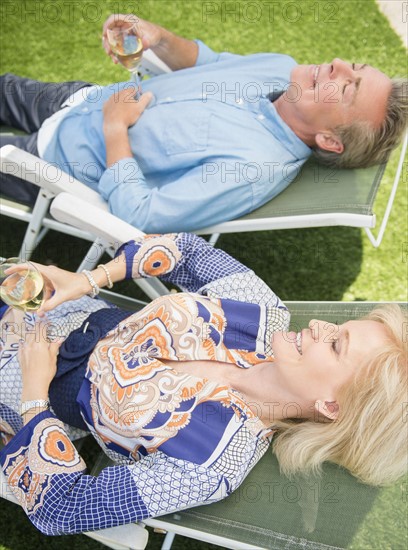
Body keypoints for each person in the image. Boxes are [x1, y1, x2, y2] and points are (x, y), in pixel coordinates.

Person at [0, 232, 406, 536]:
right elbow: (190, 253)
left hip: (19, 386)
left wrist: (34, 396)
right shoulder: (262, 314)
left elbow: (64, 509)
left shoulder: (208, 464)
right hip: (61, 306)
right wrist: (86, 279)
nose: (319, 326)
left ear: (331, 406)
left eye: (335, 344)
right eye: (337, 326)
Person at [1, 14, 407, 232]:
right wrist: (158, 37)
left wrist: (114, 130)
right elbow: (207, 62)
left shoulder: (252, 169)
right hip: (82, 98)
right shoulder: (282, 70)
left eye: (348, 87)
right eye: (351, 66)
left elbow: (140, 216)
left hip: (56, 162)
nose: (336, 64)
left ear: (329, 140)